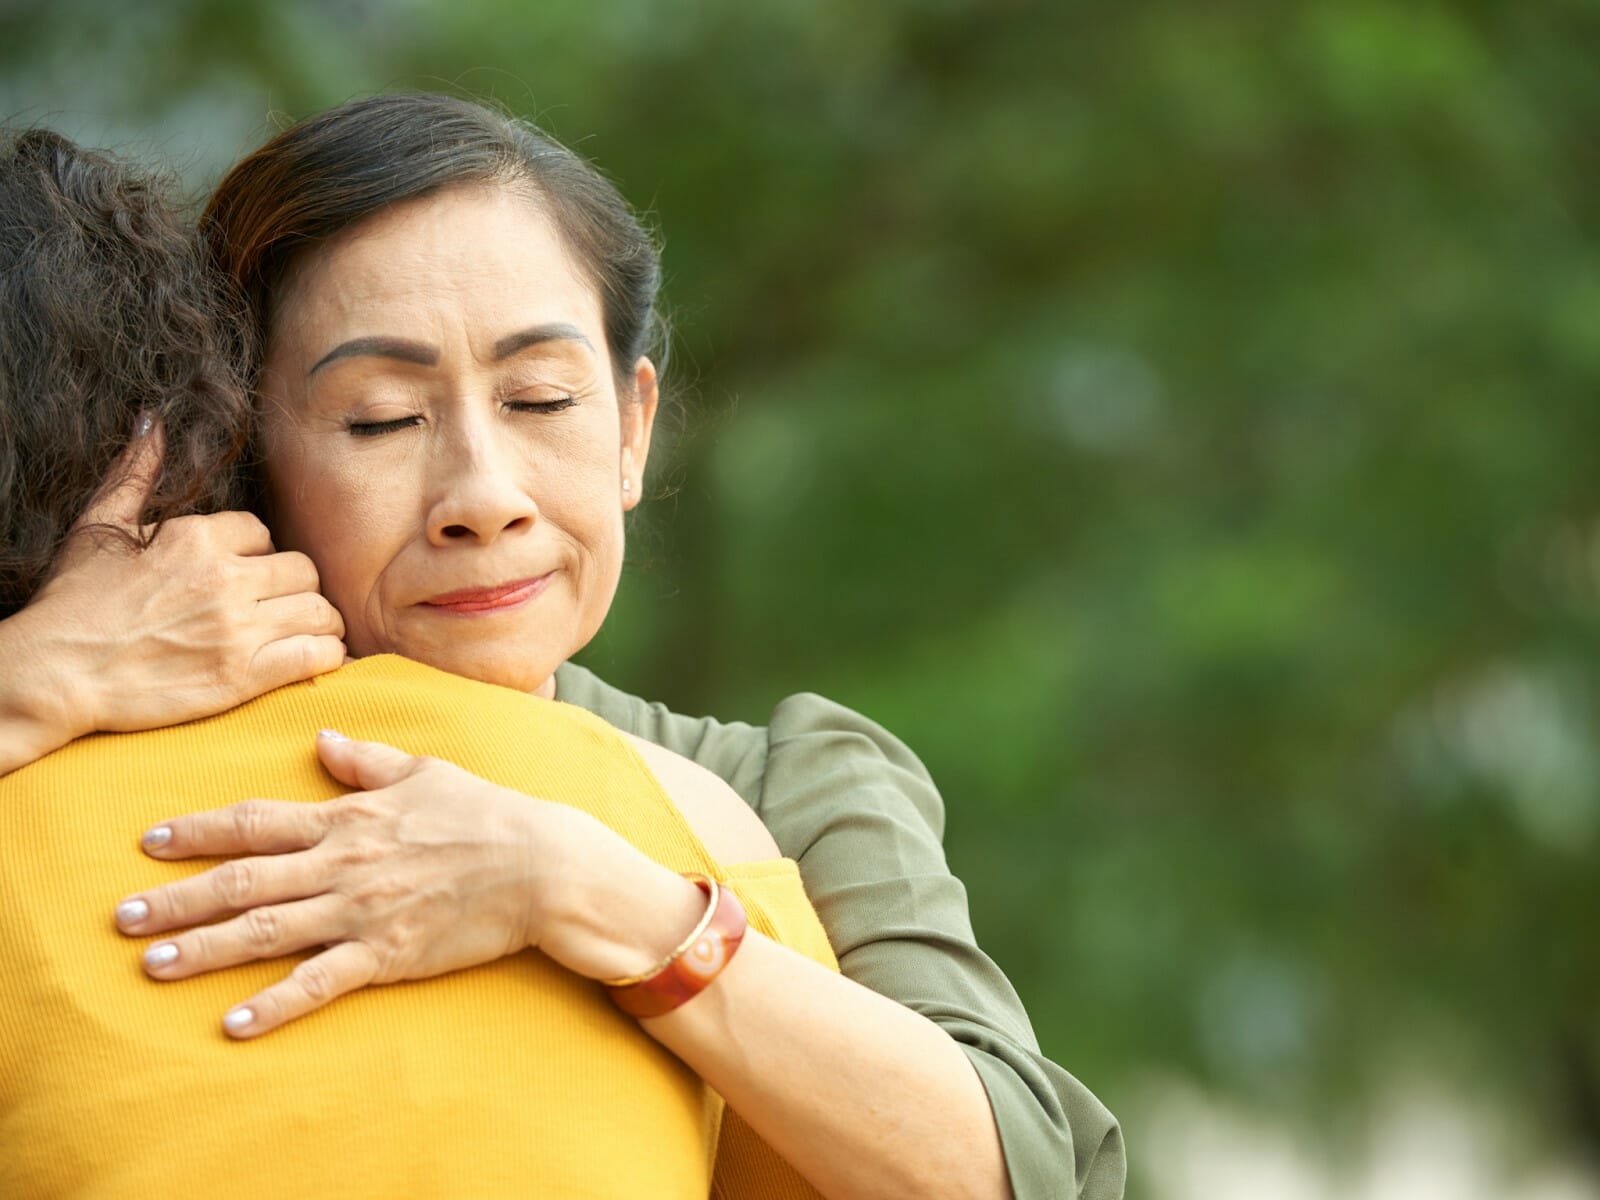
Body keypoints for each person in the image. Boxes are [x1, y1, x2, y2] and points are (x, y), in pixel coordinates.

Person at [4, 94, 1125, 1198]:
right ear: (249, 452)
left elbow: (1018, 1176)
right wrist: (38, 672)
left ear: (632, 429)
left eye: (540, 400)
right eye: (383, 418)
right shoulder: (86, 738)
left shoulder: (777, 789)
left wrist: (572, 885)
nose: (483, 497)